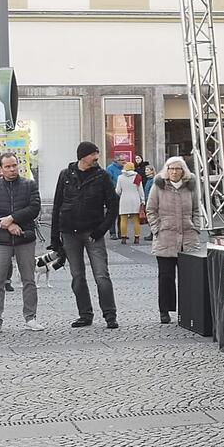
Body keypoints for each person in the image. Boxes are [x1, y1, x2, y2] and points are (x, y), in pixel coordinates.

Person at [51, 141, 120, 329]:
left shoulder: (102, 176)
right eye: (93, 154)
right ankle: (85, 315)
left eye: (97, 154)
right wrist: (54, 238)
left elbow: (113, 206)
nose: (96, 157)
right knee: (77, 276)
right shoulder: (65, 175)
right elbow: (57, 206)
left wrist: (101, 230)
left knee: (101, 275)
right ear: (82, 156)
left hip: (93, 233)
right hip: (69, 233)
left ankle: (110, 315)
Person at [0, 153, 43, 335]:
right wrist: (7, 224)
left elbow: (34, 208)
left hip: (24, 238)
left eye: (14, 165)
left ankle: (31, 317)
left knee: (29, 280)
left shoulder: (29, 184)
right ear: (0, 169)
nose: (12, 169)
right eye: (7, 166)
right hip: (0, 239)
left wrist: (13, 218)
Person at [146, 156, 201, 324]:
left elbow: (197, 209)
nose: (174, 172)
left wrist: (196, 227)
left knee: (188, 278)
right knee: (166, 277)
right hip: (165, 238)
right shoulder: (159, 186)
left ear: (183, 171)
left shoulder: (190, 187)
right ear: (166, 170)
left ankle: (187, 310)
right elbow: (151, 209)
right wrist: (157, 229)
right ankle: (165, 310)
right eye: (171, 168)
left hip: (188, 238)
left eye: (178, 169)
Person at [115, 161, 145, 245]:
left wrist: (122, 194)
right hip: (135, 199)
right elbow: (140, 189)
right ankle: (137, 238)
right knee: (136, 219)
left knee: (123, 219)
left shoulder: (120, 177)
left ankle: (123, 238)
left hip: (124, 199)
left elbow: (118, 190)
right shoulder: (137, 176)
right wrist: (143, 200)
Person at [105, 156, 125, 238]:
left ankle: (121, 232)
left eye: (124, 160)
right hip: (113, 193)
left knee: (122, 214)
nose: (124, 161)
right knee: (113, 214)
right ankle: (112, 233)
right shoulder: (110, 168)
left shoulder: (124, 168)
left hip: (123, 193)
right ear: (117, 160)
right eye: (122, 160)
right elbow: (108, 181)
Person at [143, 165, 156, 241]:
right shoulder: (148, 180)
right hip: (147, 200)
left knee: (152, 218)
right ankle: (152, 233)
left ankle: (153, 233)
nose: (145, 171)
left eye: (147, 170)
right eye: (145, 170)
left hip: (150, 200)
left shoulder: (153, 180)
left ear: (151, 171)